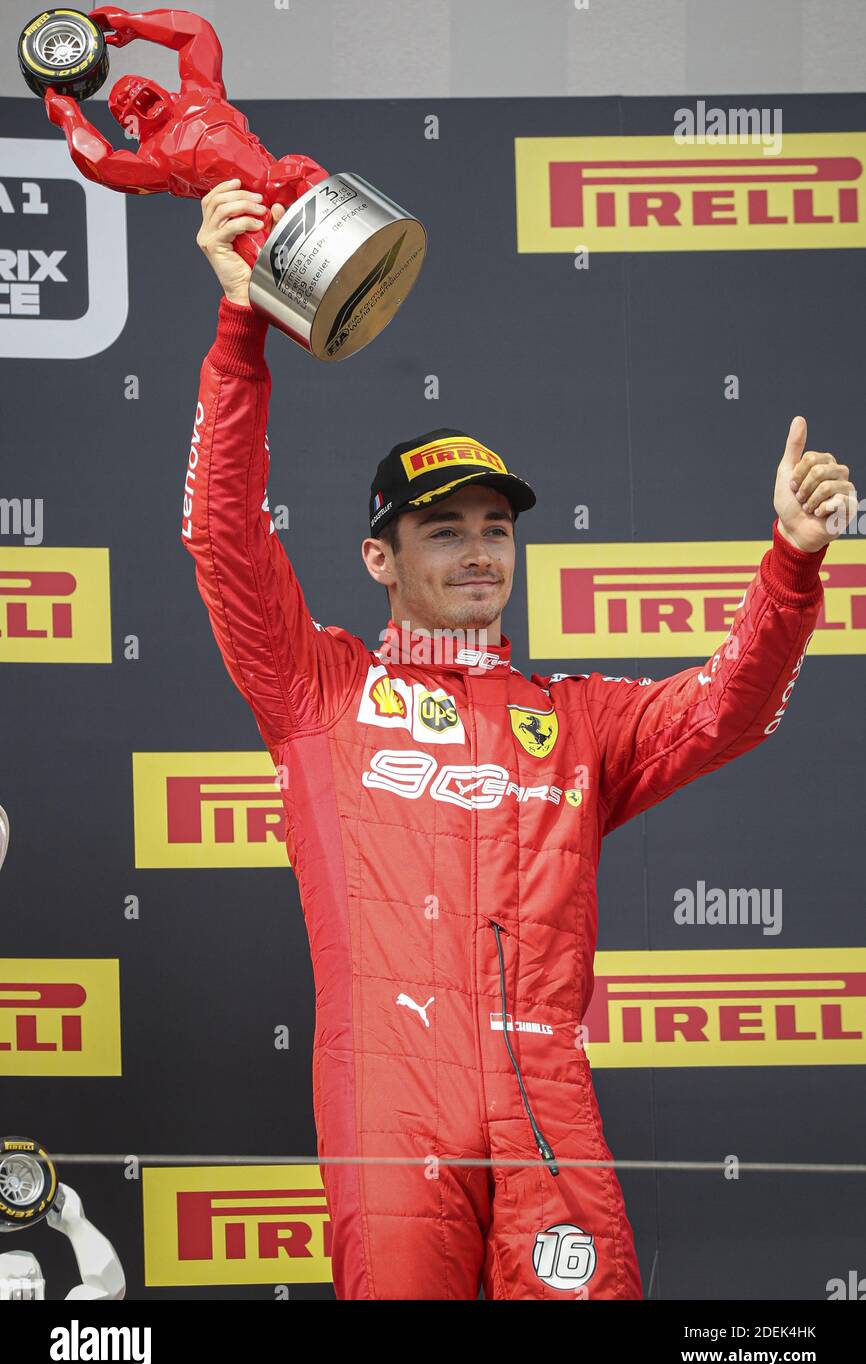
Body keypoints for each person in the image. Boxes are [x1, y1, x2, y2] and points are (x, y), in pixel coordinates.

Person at [183, 179, 855, 1301]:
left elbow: (725, 707)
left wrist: (788, 562)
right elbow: (219, 533)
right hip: (386, 1093)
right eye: (443, 531)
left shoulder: (578, 718)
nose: (479, 551)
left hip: (544, 1087)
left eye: (495, 528)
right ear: (378, 560)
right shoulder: (320, 693)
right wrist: (244, 327)